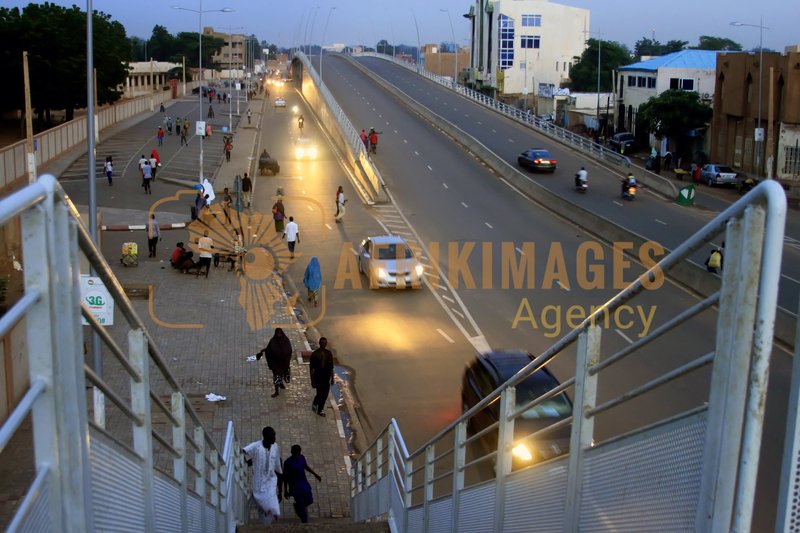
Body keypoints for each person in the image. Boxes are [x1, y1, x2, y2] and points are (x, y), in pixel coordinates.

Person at [242, 427, 283, 526]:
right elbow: (243, 451)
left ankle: (268, 523)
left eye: (275, 436)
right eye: (272, 437)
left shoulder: (275, 447)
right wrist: (246, 462)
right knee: (263, 508)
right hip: (259, 485)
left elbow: (278, 467)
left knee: (269, 509)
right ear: (266, 437)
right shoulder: (256, 446)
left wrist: (280, 491)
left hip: (271, 483)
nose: (275, 438)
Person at [283, 444, 321, 524]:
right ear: (292, 452)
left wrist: (315, 474)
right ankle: (305, 523)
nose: (297, 455)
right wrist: (285, 491)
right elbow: (285, 478)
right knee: (302, 508)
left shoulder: (302, 458)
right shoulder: (287, 463)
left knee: (310, 500)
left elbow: (305, 466)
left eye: (298, 453)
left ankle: (298, 507)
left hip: (303, 483)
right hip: (295, 486)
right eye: (295, 453)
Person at [258, 328, 293, 397]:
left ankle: (281, 384)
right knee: (276, 377)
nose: (279, 335)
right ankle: (276, 391)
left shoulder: (285, 340)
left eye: (280, 333)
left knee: (282, 375)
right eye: (278, 334)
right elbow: (269, 348)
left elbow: (289, 350)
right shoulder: (273, 341)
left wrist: (284, 357)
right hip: (276, 364)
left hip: (283, 363)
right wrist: (265, 350)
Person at [309, 337, 334, 416]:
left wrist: (333, 378)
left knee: (325, 395)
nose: (324, 344)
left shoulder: (329, 353)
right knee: (319, 394)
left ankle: (320, 408)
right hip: (318, 378)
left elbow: (331, 367)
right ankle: (317, 405)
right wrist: (312, 381)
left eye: (325, 343)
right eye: (322, 343)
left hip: (326, 378)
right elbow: (311, 369)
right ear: (319, 343)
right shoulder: (315, 354)